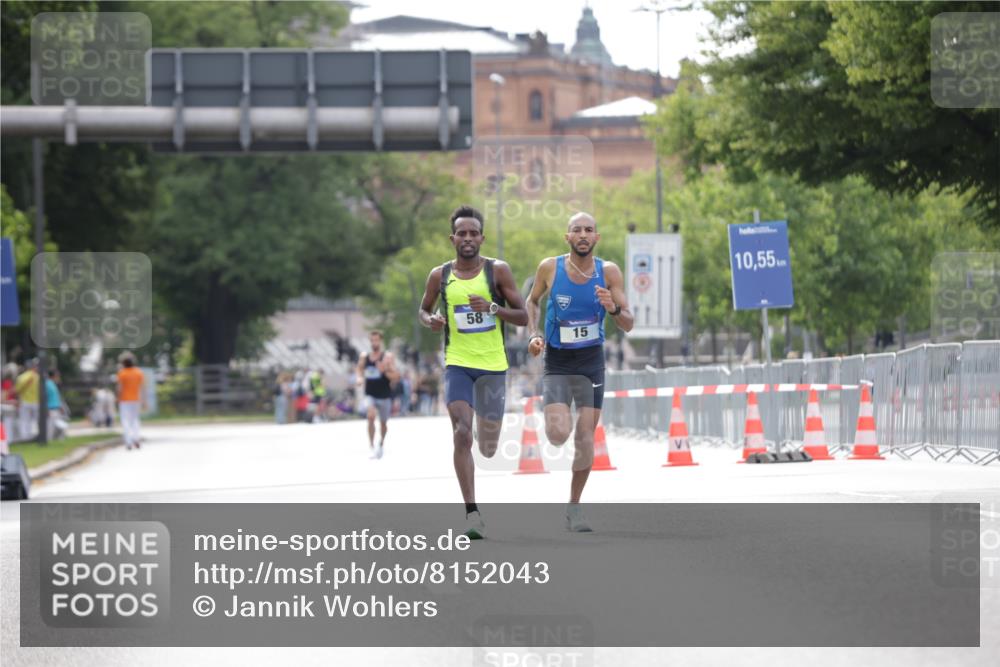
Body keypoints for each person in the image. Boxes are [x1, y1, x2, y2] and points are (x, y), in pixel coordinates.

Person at [418, 205, 528, 539]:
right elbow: (423, 310)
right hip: (458, 365)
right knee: (462, 433)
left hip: (493, 367)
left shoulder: (498, 272)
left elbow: (523, 316)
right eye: (461, 234)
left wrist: (493, 308)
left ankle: (487, 432)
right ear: (453, 239)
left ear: (481, 237)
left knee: (488, 447)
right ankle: (472, 513)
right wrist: (432, 320)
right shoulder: (441, 275)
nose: (467, 238)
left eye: (473, 233)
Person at [526, 212, 634, 532]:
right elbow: (532, 302)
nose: (583, 234)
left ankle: (574, 506)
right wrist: (533, 334)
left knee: (585, 436)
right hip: (558, 360)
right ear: (567, 237)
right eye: (577, 230)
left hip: (590, 361)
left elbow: (628, 323)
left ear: (597, 237)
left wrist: (612, 307)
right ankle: (556, 418)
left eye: (589, 230)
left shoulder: (609, 272)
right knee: (558, 435)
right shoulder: (550, 267)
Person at [355, 330, 399, 459]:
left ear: (381, 341)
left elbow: (396, 376)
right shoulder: (364, 356)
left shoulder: (387, 357)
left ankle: (381, 444)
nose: (374, 343)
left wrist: (384, 370)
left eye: (377, 340)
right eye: (372, 340)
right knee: (371, 416)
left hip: (384, 394)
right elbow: (359, 369)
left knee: (384, 423)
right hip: (370, 394)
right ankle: (371, 446)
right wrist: (359, 378)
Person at [116, 353, 145, 450]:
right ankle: (136, 439)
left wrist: (117, 398)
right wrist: (144, 400)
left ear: (123, 363)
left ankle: (128, 442)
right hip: (136, 400)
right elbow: (142, 388)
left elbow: (119, 388)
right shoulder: (138, 372)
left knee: (125, 421)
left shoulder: (122, 373)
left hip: (124, 400)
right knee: (135, 420)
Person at [14, 360, 40, 440]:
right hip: (36, 401)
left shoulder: (21, 377)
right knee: (36, 420)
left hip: (24, 402)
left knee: (25, 421)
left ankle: (25, 437)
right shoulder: (38, 377)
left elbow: (17, 391)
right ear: (34, 367)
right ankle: (37, 435)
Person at [45, 369, 68, 440]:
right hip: (50, 408)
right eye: (57, 376)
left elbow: (56, 397)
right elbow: (45, 397)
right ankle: (49, 439)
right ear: (54, 376)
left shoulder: (53, 384)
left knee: (58, 425)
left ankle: (58, 439)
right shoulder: (47, 384)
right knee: (50, 426)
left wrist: (60, 407)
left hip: (56, 408)